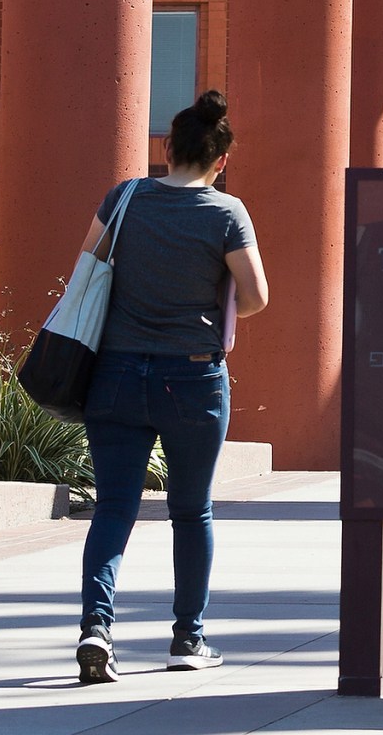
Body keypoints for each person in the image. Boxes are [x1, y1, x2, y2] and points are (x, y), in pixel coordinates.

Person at [73, 91, 270, 686]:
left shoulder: (124, 198)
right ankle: (188, 637)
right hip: (192, 374)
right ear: (222, 159)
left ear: (166, 147)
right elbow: (258, 297)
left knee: (113, 509)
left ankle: (96, 629)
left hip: (116, 373)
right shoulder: (227, 213)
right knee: (192, 509)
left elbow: (88, 266)